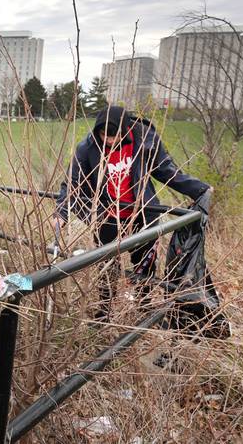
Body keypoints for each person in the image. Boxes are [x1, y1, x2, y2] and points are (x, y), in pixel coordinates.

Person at [55, 105, 211, 321]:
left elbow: (167, 171)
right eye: (103, 135)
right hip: (106, 216)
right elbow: (72, 182)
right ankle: (104, 309)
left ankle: (143, 305)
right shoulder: (87, 148)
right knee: (106, 263)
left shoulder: (145, 141)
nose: (109, 141)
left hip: (142, 213)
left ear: (125, 129)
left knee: (144, 262)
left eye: (114, 135)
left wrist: (199, 189)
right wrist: (61, 212)